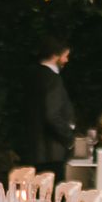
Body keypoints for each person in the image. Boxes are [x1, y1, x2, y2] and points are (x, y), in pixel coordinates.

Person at [34, 40, 77, 173]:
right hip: (51, 152)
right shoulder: (53, 79)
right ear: (55, 56)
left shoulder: (33, 75)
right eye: (65, 55)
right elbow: (52, 115)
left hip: (33, 150)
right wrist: (69, 138)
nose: (66, 60)